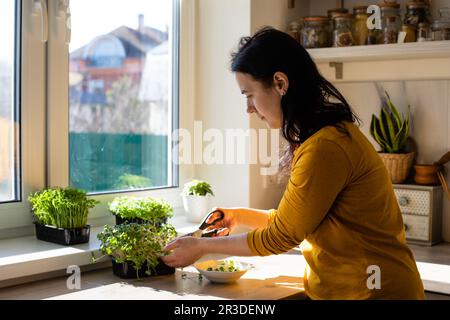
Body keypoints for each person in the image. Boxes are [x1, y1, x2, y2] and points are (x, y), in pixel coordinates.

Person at [161, 27, 425, 300]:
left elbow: (282, 236)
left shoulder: (325, 147)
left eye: (249, 94)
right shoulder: (321, 138)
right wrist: (239, 216)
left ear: (280, 83)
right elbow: (296, 221)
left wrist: (202, 248)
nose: (249, 108)